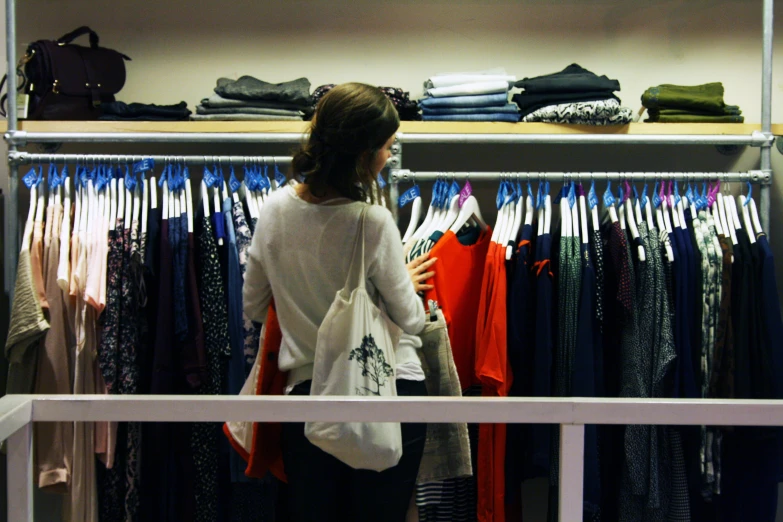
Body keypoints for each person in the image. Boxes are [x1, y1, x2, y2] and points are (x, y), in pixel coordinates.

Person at [243, 82, 437, 521]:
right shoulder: (372, 221)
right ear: (364, 154)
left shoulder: (272, 211)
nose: (389, 156)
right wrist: (397, 283)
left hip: (306, 399)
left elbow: (254, 307)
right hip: (383, 389)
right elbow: (412, 320)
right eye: (387, 147)